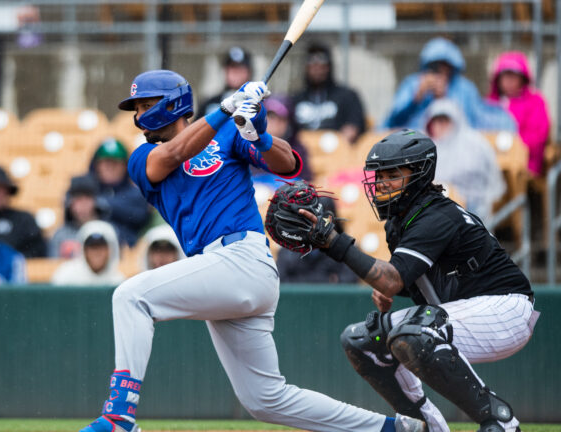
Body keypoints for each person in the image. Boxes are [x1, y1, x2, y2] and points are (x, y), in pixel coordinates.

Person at [78, 69, 426, 432]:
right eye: (137, 107)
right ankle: (396, 429)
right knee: (265, 400)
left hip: (243, 259)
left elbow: (290, 165)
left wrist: (257, 135)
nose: (139, 114)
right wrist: (225, 108)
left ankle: (119, 416)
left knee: (131, 297)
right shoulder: (143, 156)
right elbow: (177, 152)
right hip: (218, 271)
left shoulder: (227, 132)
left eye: (147, 104)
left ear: (172, 104)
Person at [295, 129, 539, 432]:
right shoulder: (402, 220)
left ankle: (500, 421)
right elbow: (414, 282)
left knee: (415, 333)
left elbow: (391, 280)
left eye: (392, 174)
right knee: (361, 341)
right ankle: (426, 426)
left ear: (419, 175)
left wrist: (335, 242)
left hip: (507, 309)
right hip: (467, 307)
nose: (382, 182)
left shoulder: (435, 215)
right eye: (379, 174)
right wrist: (393, 290)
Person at [383, 37, 516, 132]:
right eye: (436, 65)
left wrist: (444, 99)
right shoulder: (412, 84)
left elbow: (472, 123)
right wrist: (416, 97)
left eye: (446, 65)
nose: (441, 70)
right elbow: (392, 120)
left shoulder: (464, 88)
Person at [423, 98, 505, 219]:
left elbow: (493, 180)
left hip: (473, 208)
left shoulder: (475, 144)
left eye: (444, 120)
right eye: (436, 121)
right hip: (438, 208)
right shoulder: (427, 148)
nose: (440, 126)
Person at [71, 138, 150, 248]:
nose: (110, 167)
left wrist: (98, 204)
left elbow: (139, 215)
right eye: (105, 162)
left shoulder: (137, 193)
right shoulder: (83, 187)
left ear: (125, 166)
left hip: (125, 246)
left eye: (116, 162)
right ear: (96, 166)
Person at [487, 51, 551, 177]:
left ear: (523, 78)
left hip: (524, 165)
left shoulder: (535, 102)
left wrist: (513, 146)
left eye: (514, 76)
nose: (509, 81)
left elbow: (538, 135)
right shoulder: (490, 104)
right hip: (492, 162)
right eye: (505, 76)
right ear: (498, 79)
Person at [291, 43, 366, 144]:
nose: (317, 69)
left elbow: (354, 127)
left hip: (336, 152)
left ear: (329, 67)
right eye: (312, 64)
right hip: (302, 152)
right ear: (306, 67)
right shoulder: (295, 99)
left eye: (322, 64)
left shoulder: (347, 96)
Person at [276, 196, 357, 284]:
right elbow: (281, 282)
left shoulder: (347, 250)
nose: (317, 224)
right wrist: (329, 280)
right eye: (312, 216)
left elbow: (348, 281)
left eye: (324, 217)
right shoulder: (289, 251)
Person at [48, 176, 108, 259]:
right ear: (70, 204)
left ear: (95, 202)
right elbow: (53, 266)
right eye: (78, 199)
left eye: (87, 199)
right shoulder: (60, 235)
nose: (83, 205)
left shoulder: (107, 231)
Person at [52, 220, 125, 287]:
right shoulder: (65, 276)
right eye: (92, 247)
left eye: (101, 247)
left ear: (110, 250)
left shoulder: (118, 281)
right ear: (83, 250)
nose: (96, 253)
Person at [196, 46, 253, 118]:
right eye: (233, 67)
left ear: (249, 72)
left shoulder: (257, 104)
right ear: (225, 71)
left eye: (241, 68)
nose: (236, 73)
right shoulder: (210, 104)